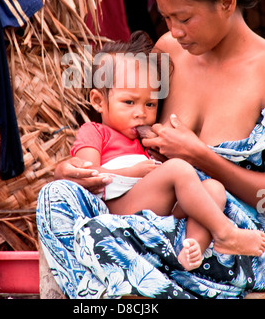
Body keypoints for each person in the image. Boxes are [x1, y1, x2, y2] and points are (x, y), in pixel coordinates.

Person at [37, 0, 265, 299]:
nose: (174, 31)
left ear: (227, 2)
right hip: (148, 213)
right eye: (166, 18)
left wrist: (200, 156)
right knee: (54, 198)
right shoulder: (168, 53)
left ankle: (136, 281)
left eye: (185, 18)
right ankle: (137, 280)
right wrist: (74, 168)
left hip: (221, 237)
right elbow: (123, 129)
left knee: (101, 238)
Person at [71, 31, 265, 271]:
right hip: (119, 208)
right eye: (129, 102)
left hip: (159, 213)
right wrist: (136, 171)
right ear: (99, 101)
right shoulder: (94, 132)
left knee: (214, 190)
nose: (141, 112)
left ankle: (190, 250)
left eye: (150, 104)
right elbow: (89, 178)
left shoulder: (144, 139)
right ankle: (225, 232)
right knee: (178, 170)